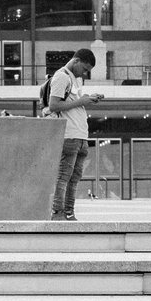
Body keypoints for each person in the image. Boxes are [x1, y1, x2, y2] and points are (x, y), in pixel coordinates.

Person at [44, 49, 98, 220]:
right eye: (84, 68)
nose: (85, 73)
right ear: (76, 61)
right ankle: (58, 213)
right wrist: (81, 101)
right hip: (70, 135)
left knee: (74, 179)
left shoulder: (75, 79)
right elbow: (53, 105)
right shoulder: (62, 76)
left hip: (80, 136)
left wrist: (88, 99)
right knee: (64, 177)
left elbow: (73, 103)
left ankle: (69, 213)